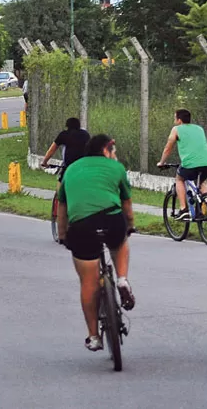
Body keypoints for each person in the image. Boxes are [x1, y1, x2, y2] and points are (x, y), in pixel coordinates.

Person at [57, 134, 136, 352]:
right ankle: (121, 280)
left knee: (88, 283)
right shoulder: (117, 168)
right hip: (111, 221)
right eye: (114, 151)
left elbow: (62, 208)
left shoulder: (71, 169)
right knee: (121, 241)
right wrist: (129, 225)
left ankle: (93, 336)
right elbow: (126, 203)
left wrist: (63, 235)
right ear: (106, 150)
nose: (115, 156)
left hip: (81, 227)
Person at [157, 109, 207, 220]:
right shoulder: (199, 128)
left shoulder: (176, 129)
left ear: (179, 120)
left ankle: (184, 209)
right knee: (200, 182)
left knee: (179, 179)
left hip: (190, 163)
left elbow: (168, 148)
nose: (174, 121)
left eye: (175, 118)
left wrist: (161, 163)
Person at [40, 117, 91, 185]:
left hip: (69, 167)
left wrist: (44, 162)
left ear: (67, 126)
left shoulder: (64, 134)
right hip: (83, 166)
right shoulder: (85, 134)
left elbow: (51, 150)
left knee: (60, 189)